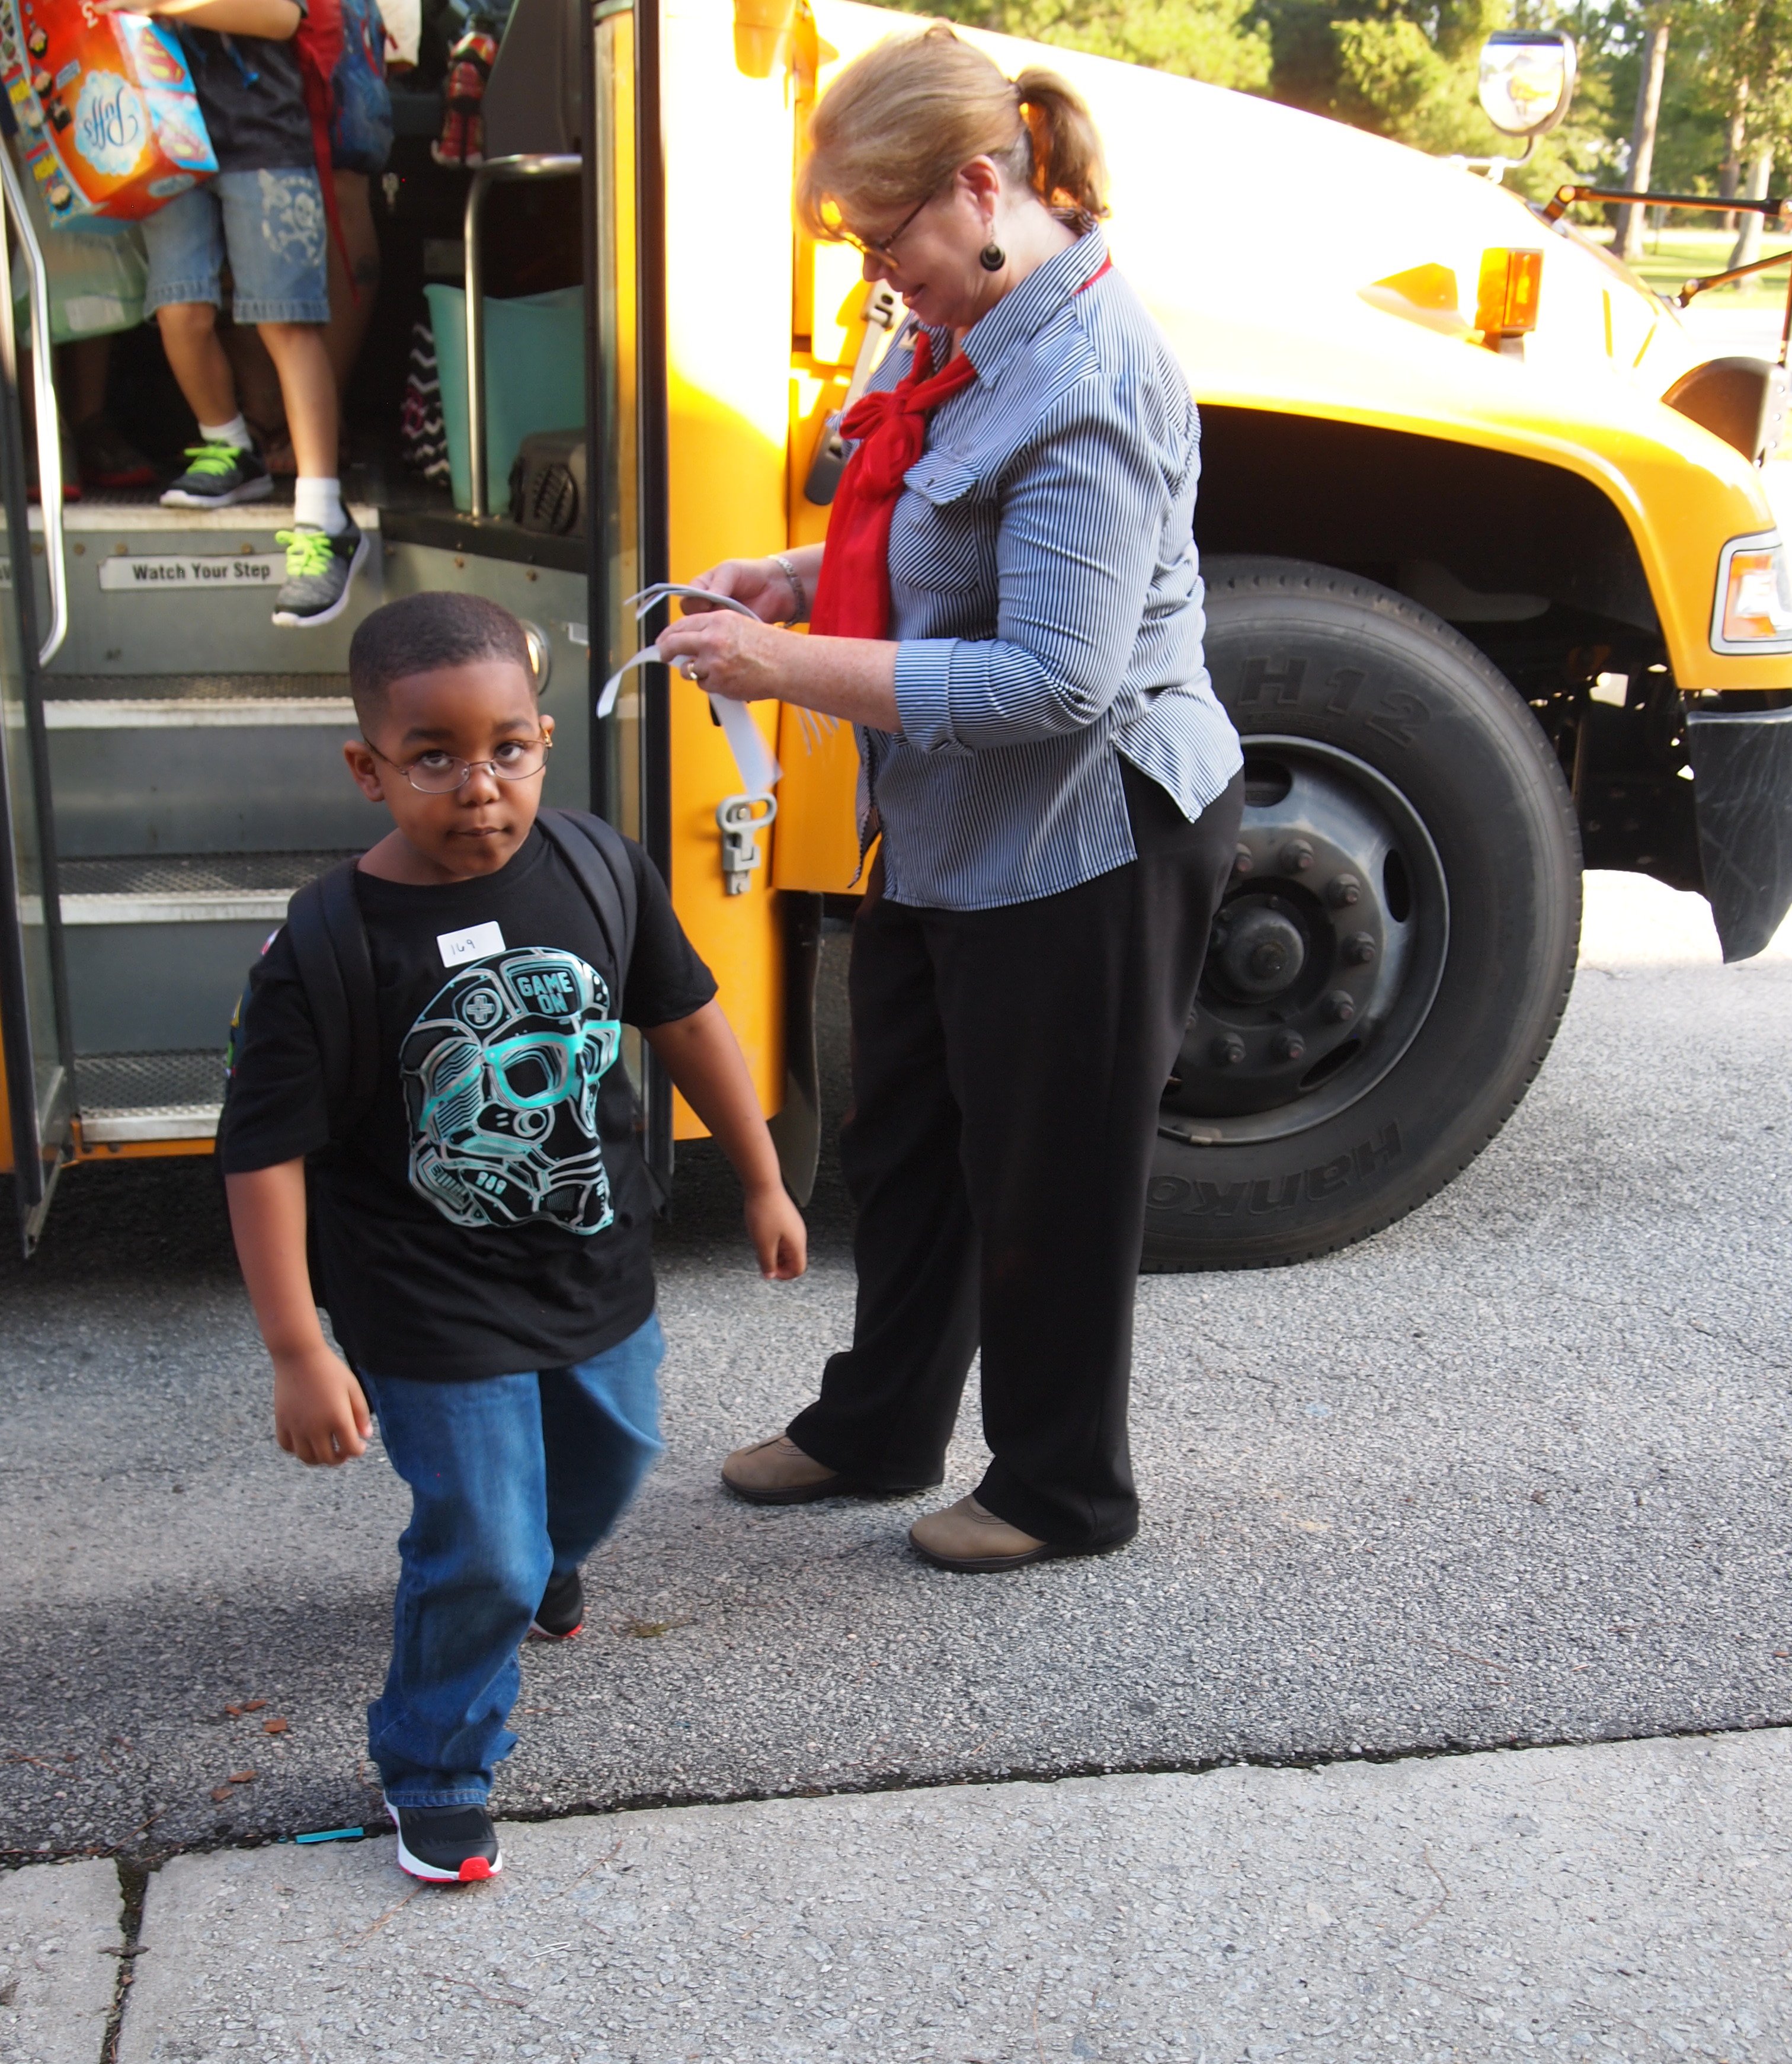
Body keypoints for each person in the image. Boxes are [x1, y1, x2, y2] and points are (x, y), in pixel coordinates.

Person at [661, 24, 1245, 1574]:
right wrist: (778, 582)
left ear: (977, 187)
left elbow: (1054, 682)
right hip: (950, 815)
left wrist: (785, 665)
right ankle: (880, 1424)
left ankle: (1063, 1489)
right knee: (905, 1136)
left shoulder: (1094, 379)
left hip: (1087, 831)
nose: (873, 282)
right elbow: (921, 542)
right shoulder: (955, 317)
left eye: (878, 243)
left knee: (1046, 1174)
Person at [220, 592, 807, 1883]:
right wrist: (295, 1348)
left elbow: (690, 1019)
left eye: (508, 750)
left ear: (545, 740)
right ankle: (435, 1763)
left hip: (594, 1265)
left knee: (614, 1459)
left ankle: (545, 1566)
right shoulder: (323, 946)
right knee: (480, 1540)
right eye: (433, 757)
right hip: (422, 1300)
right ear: (369, 770)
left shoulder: (600, 865)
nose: (478, 787)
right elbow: (259, 1154)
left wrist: (762, 1178)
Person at [119, 0, 367, 628]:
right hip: (159, 135)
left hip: (265, 138)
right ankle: (229, 445)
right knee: (179, 310)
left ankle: (324, 515)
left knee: (286, 321)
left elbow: (282, 18)